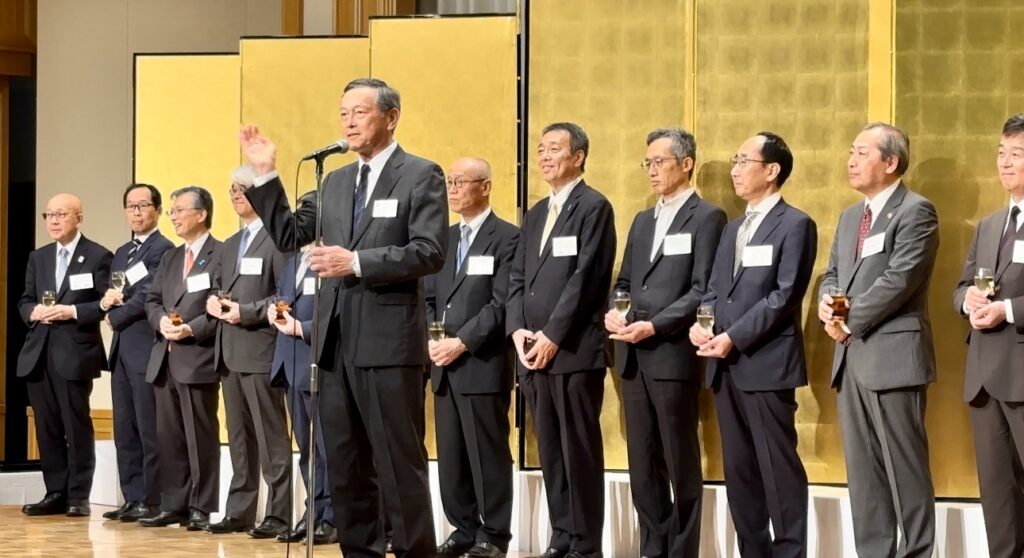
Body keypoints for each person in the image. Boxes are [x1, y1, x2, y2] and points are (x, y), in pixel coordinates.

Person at [238, 77, 447, 557]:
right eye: (343, 113)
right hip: (332, 344)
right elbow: (292, 234)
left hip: (389, 343)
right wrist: (266, 175)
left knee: (399, 463)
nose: (349, 122)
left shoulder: (420, 174)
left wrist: (355, 263)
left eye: (360, 112)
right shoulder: (333, 180)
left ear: (390, 118)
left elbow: (430, 251)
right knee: (347, 463)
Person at [689, 132, 816, 558]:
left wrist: (732, 337)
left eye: (744, 160)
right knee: (739, 470)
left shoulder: (796, 224)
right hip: (724, 366)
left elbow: (783, 296)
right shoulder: (732, 228)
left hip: (766, 363)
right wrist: (702, 325)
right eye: (735, 160)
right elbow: (712, 290)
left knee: (777, 468)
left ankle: (789, 552)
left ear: (772, 170)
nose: (735, 169)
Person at [818, 122, 938, 558]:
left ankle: (919, 552)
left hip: (892, 357)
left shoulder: (916, 211)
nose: (851, 160)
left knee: (905, 469)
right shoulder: (852, 216)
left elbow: (898, 280)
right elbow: (833, 274)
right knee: (864, 474)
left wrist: (847, 320)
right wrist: (825, 305)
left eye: (862, 152)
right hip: (849, 359)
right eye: (851, 151)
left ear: (891, 162)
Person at [605, 128, 725, 558]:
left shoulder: (707, 217)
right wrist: (615, 312)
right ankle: (651, 548)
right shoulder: (642, 219)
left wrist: (654, 326)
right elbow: (622, 282)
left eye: (660, 162)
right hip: (632, 356)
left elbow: (702, 290)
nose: (652, 171)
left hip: (671, 355)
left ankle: (681, 550)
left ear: (686, 163)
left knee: (680, 460)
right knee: (643, 462)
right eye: (648, 163)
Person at [507, 122, 616, 558]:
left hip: (573, 350)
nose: (545, 156)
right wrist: (517, 329)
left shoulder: (594, 207)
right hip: (531, 352)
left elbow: (586, 279)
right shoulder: (536, 213)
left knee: (579, 450)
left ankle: (586, 544)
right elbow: (516, 277)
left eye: (555, 148)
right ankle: (562, 536)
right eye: (540, 149)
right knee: (549, 449)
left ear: (579, 156)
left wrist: (553, 334)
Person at [426, 158, 518, 558]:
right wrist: (432, 337)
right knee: (451, 457)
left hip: (481, 363)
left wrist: (461, 342)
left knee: (487, 455)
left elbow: (501, 304)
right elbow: (427, 297)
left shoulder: (507, 238)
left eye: (461, 181)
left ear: (486, 186)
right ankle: (462, 528)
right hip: (442, 366)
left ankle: (494, 534)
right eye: (450, 181)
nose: (453, 188)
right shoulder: (442, 239)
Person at [204, 166, 291, 539]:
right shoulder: (228, 244)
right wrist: (213, 302)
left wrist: (248, 312)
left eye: (244, 189)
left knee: (271, 437)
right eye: (232, 190)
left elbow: (285, 295)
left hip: (259, 349)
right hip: (228, 351)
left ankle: (279, 513)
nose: (236, 195)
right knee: (238, 437)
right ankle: (239, 510)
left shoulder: (278, 240)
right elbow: (220, 287)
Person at [952, 114, 1024, 558]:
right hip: (983, 378)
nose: (1004, 163)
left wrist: (1008, 309)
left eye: (1016, 154)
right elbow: (961, 286)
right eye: (1001, 153)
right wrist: (969, 303)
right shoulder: (992, 223)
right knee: (998, 499)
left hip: (1021, 371)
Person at [17, 193, 113, 518]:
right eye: (49, 215)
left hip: (74, 353)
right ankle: (55, 491)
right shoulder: (38, 257)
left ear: (79, 218)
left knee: (76, 425)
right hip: (39, 352)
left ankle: (78, 496)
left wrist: (70, 311)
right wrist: (33, 313)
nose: (54, 221)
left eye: (62, 214)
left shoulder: (98, 256)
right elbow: (25, 300)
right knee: (46, 427)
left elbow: (104, 304)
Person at [139, 186, 223, 532]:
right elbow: (152, 298)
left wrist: (191, 329)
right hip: (166, 356)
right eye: (171, 211)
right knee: (169, 435)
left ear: (201, 214)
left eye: (178, 210)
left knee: (199, 436)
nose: (172, 216)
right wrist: (159, 319)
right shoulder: (172, 257)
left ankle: (202, 506)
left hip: (197, 356)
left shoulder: (221, 253)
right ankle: (174, 504)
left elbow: (221, 301)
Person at [100, 183, 174, 522]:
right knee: (124, 427)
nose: (136, 212)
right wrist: (106, 301)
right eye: (130, 206)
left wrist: (114, 315)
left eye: (143, 206)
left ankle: (151, 498)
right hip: (121, 351)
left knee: (148, 427)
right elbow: (116, 289)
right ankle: (132, 497)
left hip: (145, 345)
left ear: (157, 210)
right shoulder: (121, 252)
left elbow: (147, 294)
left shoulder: (164, 249)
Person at [267, 194, 336, 546]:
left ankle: (331, 518)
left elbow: (338, 315)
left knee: (327, 448)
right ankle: (313, 512)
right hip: (290, 364)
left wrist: (303, 328)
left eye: (308, 212)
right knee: (307, 450)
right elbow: (280, 297)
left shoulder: (334, 258)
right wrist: (271, 311)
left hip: (319, 362)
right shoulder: (295, 259)